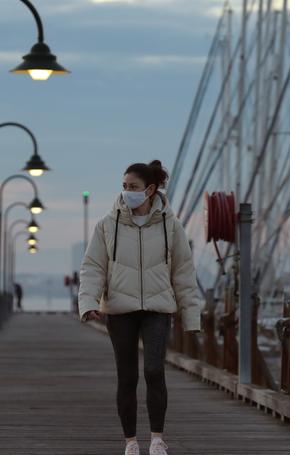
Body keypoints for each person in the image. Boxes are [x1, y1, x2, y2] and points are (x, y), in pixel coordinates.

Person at [78, 160, 203, 455]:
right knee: (127, 375)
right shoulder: (107, 226)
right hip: (120, 310)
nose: (126, 193)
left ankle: (157, 438)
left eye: (132, 188)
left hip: (158, 309)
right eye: (123, 187)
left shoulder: (171, 227)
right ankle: (131, 441)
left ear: (149, 190)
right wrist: (88, 303)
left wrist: (191, 316)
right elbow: (93, 267)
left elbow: (184, 273)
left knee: (154, 370)